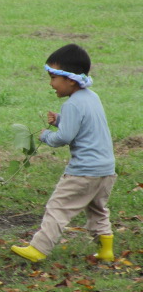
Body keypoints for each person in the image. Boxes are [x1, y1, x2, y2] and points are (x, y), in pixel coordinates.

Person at [11, 44, 117, 263]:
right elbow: (84, 126)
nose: (51, 84)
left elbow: (64, 138)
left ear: (70, 80)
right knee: (97, 209)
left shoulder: (72, 105)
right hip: (106, 170)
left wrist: (45, 136)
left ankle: (38, 249)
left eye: (52, 77)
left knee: (58, 207)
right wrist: (59, 120)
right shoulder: (91, 97)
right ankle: (106, 249)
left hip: (83, 172)